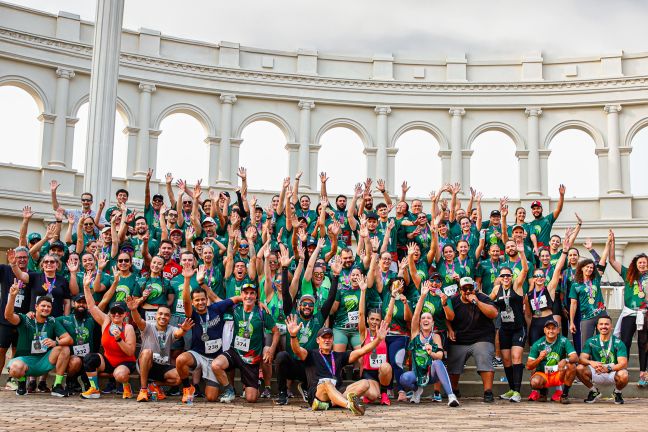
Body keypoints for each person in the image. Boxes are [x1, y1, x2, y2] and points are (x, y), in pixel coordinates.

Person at [287, 318, 389, 415]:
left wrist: (378, 339)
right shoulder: (311, 354)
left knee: (365, 383)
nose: (327, 340)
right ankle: (349, 405)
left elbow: (362, 351)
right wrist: (293, 336)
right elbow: (297, 350)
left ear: (333, 340)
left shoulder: (338, 355)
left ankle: (330, 404)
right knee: (327, 383)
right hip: (318, 393)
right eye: (324, 338)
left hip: (337, 391)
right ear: (318, 340)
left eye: (329, 338)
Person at [275, 255, 341, 405]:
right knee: (280, 356)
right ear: (299, 305)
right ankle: (282, 393)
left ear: (314, 307)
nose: (307, 307)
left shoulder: (318, 318)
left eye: (310, 304)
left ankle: (307, 387)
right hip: (293, 362)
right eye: (304, 304)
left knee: (315, 364)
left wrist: (335, 276)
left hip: (309, 365)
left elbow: (330, 299)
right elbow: (285, 293)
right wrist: (284, 269)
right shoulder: (291, 314)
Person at [175, 264, 241, 403]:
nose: (200, 302)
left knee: (211, 397)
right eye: (197, 300)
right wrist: (187, 280)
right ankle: (187, 388)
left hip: (214, 359)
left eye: (203, 299)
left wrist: (256, 302)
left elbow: (235, 298)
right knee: (180, 360)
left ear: (207, 299)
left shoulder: (216, 308)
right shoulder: (191, 314)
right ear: (193, 303)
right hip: (198, 355)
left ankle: (221, 387)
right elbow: (185, 300)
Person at [212, 283, 279, 404]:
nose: (248, 296)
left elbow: (276, 332)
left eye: (252, 293)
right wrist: (203, 284)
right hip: (235, 352)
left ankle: (255, 384)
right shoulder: (235, 308)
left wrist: (271, 350)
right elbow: (217, 301)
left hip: (251, 358)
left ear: (256, 295)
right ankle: (229, 390)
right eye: (246, 293)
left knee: (251, 398)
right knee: (216, 365)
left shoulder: (262, 312)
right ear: (241, 295)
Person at [5, 282, 72, 397]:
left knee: (64, 348)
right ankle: (21, 384)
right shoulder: (26, 319)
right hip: (25, 361)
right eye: (43, 306)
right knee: (15, 368)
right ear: (36, 307)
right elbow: (8, 316)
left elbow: (69, 339)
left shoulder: (52, 321)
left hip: (44, 361)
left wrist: (55, 342)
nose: (46, 308)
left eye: (48, 306)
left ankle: (57, 386)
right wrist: (12, 296)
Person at [400, 281, 459, 407]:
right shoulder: (415, 333)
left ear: (433, 323)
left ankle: (451, 396)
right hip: (417, 373)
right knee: (404, 379)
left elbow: (440, 355)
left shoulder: (436, 336)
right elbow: (415, 315)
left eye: (428, 318)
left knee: (438, 362)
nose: (425, 320)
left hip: (431, 374)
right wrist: (422, 296)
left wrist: (431, 352)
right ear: (420, 322)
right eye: (423, 318)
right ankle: (417, 391)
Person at [80, 273, 137, 399]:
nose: (116, 315)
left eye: (120, 312)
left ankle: (126, 385)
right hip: (108, 361)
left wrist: (119, 339)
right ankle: (94, 388)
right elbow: (92, 306)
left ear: (124, 314)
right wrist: (86, 287)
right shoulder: (106, 321)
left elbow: (130, 351)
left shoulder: (128, 328)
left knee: (120, 375)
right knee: (89, 359)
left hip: (125, 362)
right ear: (110, 313)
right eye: (113, 312)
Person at [125, 296, 193, 402]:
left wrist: (184, 330)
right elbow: (138, 320)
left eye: (166, 315)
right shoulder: (148, 326)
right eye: (160, 313)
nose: (163, 316)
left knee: (179, 377)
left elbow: (178, 333)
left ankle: (154, 385)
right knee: (147, 352)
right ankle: (143, 390)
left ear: (170, 318)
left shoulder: (171, 329)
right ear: (156, 315)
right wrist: (133, 310)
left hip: (162, 366)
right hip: (146, 364)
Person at [445, 276, 499, 402]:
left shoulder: (482, 298)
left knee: (484, 355)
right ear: (460, 290)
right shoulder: (453, 300)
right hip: (460, 338)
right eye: (465, 289)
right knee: (453, 360)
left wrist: (477, 302)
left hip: (482, 337)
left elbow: (494, 313)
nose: (468, 291)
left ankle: (488, 392)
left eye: (471, 288)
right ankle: (454, 389)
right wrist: (450, 329)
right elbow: (445, 316)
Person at [607, 230, 648, 388]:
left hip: (645, 313)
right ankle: (620, 370)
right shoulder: (628, 274)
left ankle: (643, 374)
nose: (642, 264)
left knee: (644, 344)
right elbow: (611, 260)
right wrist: (612, 242)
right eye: (640, 262)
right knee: (624, 342)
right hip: (630, 312)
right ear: (635, 264)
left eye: (644, 262)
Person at [489, 252, 528, 402]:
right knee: (506, 360)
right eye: (503, 276)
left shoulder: (517, 286)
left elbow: (524, 270)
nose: (506, 278)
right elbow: (487, 300)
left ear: (512, 277)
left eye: (508, 275)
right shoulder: (496, 290)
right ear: (499, 278)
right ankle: (511, 389)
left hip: (518, 328)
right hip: (505, 329)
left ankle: (517, 392)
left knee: (516, 357)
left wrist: (522, 253)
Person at [357, 271, 395, 406]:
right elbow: (361, 314)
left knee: (386, 366)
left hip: (382, 373)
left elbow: (389, 315)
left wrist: (393, 297)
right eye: (372, 319)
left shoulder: (382, 332)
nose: (374, 322)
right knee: (372, 396)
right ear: (368, 320)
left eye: (377, 320)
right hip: (369, 374)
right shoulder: (364, 333)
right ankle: (371, 393)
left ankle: (384, 393)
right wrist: (363, 291)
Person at [569, 231, 611, 348]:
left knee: (603, 344)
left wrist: (607, 243)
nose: (590, 269)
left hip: (601, 314)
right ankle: (588, 365)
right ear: (581, 268)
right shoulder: (575, 285)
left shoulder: (596, 279)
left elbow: (602, 261)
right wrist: (572, 321)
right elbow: (573, 304)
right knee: (586, 345)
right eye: (587, 267)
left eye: (592, 268)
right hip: (586, 317)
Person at [576, 315, 629, 404]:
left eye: (606, 324)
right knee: (579, 368)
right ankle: (593, 391)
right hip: (596, 370)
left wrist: (608, 368)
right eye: (601, 324)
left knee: (624, 374)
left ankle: (617, 392)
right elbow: (581, 358)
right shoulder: (591, 341)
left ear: (611, 326)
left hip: (612, 372)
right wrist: (591, 362)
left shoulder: (618, 343)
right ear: (597, 326)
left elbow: (623, 364)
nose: (603, 326)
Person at [526, 318, 577, 404]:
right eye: (548, 328)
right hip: (543, 373)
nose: (551, 331)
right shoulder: (538, 344)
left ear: (558, 330)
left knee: (572, 366)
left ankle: (564, 395)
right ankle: (543, 392)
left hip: (558, 372)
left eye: (553, 328)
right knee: (535, 382)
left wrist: (566, 359)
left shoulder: (564, 341)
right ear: (544, 330)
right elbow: (528, 366)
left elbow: (575, 357)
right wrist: (539, 358)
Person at [1, 247, 31, 390]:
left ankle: (12, 379)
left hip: (22, 320)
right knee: (1, 349)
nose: (22, 260)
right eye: (19, 257)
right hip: (5, 318)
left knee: (17, 350)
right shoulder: (5, 270)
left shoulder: (31, 275)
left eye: (24, 257)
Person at [56, 294, 95, 394]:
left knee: (92, 360)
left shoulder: (92, 320)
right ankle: (70, 382)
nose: (81, 305)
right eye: (79, 302)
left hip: (88, 358)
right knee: (76, 362)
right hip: (72, 358)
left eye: (84, 303)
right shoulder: (66, 319)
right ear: (73, 304)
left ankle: (86, 382)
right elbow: (51, 321)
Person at [528, 184, 565, 249]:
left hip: (546, 252)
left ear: (542, 209)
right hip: (534, 253)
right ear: (532, 211)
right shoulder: (530, 224)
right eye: (534, 209)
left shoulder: (548, 219)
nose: (536, 210)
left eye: (538, 208)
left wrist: (561, 195)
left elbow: (559, 209)